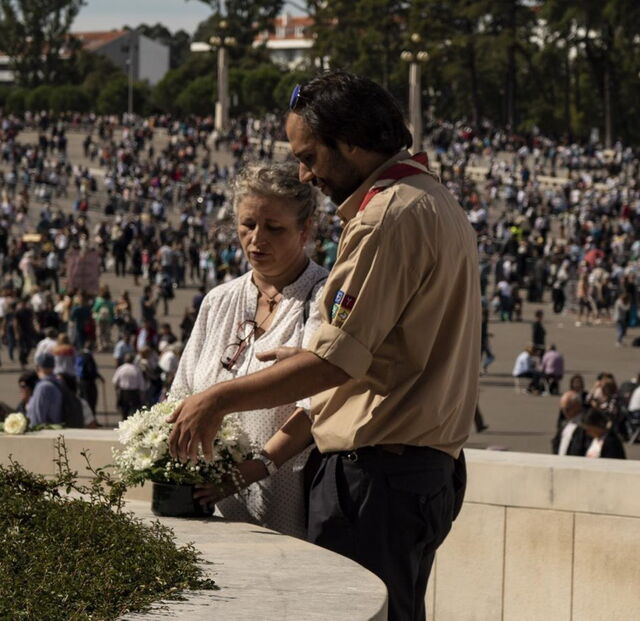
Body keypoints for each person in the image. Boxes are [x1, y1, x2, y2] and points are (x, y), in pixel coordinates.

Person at [168, 71, 479, 620]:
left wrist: (217, 399)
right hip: (415, 469)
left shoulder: (387, 215)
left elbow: (336, 358)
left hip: (378, 474)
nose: (306, 172)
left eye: (310, 155)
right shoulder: (432, 199)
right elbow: (386, 348)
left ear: (353, 142)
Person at [169, 162, 328, 538]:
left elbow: (316, 405)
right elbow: (182, 391)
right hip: (212, 508)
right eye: (247, 225)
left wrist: (255, 469)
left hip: (289, 503)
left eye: (275, 228)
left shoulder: (323, 298)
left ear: (305, 229)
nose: (257, 240)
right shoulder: (218, 300)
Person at [26, 352, 64, 426]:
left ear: (38, 367)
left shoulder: (43, 387)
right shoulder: (57, 383)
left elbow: (37, 418)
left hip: (46, 433)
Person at [552, 391, 588, 456]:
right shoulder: (564, 423)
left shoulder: (586, 423)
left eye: (567, 409)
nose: (565, 412)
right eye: (562, 409)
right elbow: (556, 442)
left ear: (577, 405)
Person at [112, 352, 145, 420]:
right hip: (134, 393)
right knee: (134, 412)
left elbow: (115, 381)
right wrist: (142, 395)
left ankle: (124, 422)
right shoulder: (136, 369)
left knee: (124, 411)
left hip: (124, 392)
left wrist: (117, 392)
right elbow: (141, 384)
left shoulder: (121, 368)